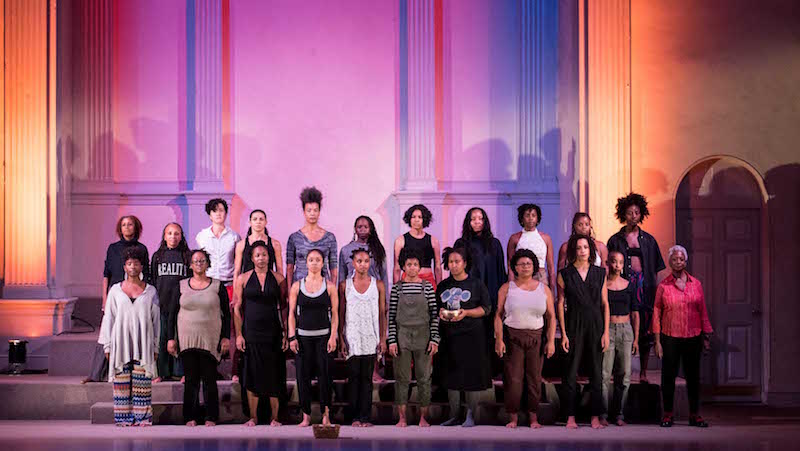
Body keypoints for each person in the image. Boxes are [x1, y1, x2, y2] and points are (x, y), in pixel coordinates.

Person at [166, 249, 231, 427]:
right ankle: (190, 416)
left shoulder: (218, 286)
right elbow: (172, 314)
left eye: (202, 261)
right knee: (191, 380)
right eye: (196, 261)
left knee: (210, 379)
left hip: (210, 339)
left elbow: (227, 314)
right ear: (190, 264)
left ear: (208, 264)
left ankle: (211, 416)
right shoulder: (181, 286)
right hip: (187, 340)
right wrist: (171, 339)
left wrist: (226, 337)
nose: (199, 264)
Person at [607, 193, 666, 383]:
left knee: (645, 329)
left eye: (636, 212)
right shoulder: (615, 239)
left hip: (644, 285)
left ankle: (643, 372)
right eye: (630, 212)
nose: (633, 215)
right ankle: (619, 371)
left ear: (641, 215)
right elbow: (609, 265)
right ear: (623, 214)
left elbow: (655, 269)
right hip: (623, 284)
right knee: (623, 325)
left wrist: (651, 289)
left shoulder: (649, 240)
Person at [98, 246, 160, 427]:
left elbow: (157, 322)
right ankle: (123, 417)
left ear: (142, 267)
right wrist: (107, 345)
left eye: (136, 263)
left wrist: (156, 347)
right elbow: (108, 318)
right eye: (129, 263)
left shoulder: (151, 291)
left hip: (143, 342)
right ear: (124, 267)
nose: (133, 267)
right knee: (121, 381)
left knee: (142, 383)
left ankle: (142, 417)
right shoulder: (115, 290)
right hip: (120, 342)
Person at [84, 215, 150, 384]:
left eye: (130, 224)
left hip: (135, 297)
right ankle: (95, 374)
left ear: (136, 227)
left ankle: (132, 372)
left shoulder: (141, 248)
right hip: (116, 296)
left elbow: (146, 275)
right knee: (106, 336)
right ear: (119, 229)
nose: (127, 227)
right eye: (124, 225)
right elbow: (106, 275)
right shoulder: (112, 248)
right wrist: (105, 299)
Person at [494, 249, 556, 429]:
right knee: (513, 378)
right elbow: (498, 315)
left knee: (534, 378)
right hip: (512, 337)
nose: (525, 267)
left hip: (536, 337)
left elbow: (551, 317)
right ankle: (512, 417)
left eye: (529, 263)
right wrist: (499, 339)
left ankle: (533, 417)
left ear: (534, 266)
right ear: (515, 267)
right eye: (521, 264)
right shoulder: (507, 288)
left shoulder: (543, 289)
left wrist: (551, 341)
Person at [653, 245, 712, 428]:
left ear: (685, 261)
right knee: (668, 376)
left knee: (693, 377)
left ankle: (695, 415)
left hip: (693, 335)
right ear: (670, 262)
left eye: (681, 259)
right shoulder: (663, 285)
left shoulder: (696, 284)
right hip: (670, 336)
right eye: (674, 259)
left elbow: (702, 310)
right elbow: (656, 311)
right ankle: (668, 414)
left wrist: (706, 336)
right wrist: (657, 341)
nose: (678, 262)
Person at [234, 241, 288, 427]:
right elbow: (237, 308)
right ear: (251, 258)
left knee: (274, 373)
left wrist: (286, 334)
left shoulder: (279, 278)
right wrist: (239, 335)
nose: (261, 258)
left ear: (269, 257)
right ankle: (253, 417)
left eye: (264, 255)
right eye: (257, 255)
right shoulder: (243, 278)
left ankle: (275, 417)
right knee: (252, 373)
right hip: (251, 332)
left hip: (273, 332)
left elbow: (284, 308)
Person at [557, 234, 609, 429]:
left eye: (585, 247)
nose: (582, 251)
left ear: (590, 250)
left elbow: (605, 303)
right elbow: (560, 303)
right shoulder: (565, 274)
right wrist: (563, 333)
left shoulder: (600, 273)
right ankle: (570, 415)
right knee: (570, 372)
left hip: (595, 324)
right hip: (573, 324)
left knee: (596, 372)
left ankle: (595, 416)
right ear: (573, 250)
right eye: (578, 248)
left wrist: (606, 333)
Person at [437, 247, 491, 427]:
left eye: (457, 261)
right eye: (450, 262)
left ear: (465, 263)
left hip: (472, 335)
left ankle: (470, 414)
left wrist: (466, 312)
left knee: (471, 375)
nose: (453, 265)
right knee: (451, 375)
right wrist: (441, 314)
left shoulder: (476, 284)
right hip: (449, 336)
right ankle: (454, 415)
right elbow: (436, 308)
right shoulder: (443, 285)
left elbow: (486, 308)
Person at [387, 247, 440, 428]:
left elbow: (435, 315)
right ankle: (402, 417)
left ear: (420, 267)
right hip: (402, 336)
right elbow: (391, 316)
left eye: (415, 264)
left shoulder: (427, 288)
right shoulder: (396, 288)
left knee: (424, 378)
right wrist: (392, 340)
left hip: (423, 335)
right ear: (403, 266)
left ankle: (423, 417)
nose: (411, 267)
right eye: (408, 264)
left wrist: (434, 339)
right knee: (402, 378)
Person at [288, 249, 339, 427]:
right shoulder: (297, 286)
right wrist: (292, 337)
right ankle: (306, 416)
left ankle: (326, 415)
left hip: (324, 339)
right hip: (303, 339)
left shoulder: (330, 286)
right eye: (311, 259)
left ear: (323, 263)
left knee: (325, 377)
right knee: (303, 378)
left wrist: (333, 337)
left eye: (318, 259)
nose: (315, 263)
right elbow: (291, 314)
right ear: (306, 262)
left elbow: (335, 314)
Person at [454, 207, 507, 378]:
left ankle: (490, 370)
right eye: (473, 218)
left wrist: (502, 298)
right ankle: (471, 368)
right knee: (471, 334)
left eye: (480, 218)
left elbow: (500, 271)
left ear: (485, 221)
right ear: (468, 222)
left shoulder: (495, 243)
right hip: (470, 296)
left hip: (490, 293)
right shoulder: (461, 244)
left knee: (490, 333)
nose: (477, 221)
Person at [232, 209, 283, 384]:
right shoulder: (241, 244)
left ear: (266, 222)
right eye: (255, 219)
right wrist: (235, 293)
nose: (258, 222)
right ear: (250, 222)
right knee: (243, 327)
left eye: (261, 219)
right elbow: (237, 269)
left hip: (266, 286)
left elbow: (280, 270)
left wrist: (277, 288)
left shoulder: (274, 244)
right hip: (246, 288)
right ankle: (237, 369)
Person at [338, 248, 386, 427]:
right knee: (354, 378)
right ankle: (354, 417)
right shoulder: (345, 285)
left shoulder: (378, 284)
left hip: (370, 336)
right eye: (359, 261)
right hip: (352, 336)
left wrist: (382, 338)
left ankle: (365, 417)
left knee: (367, 379)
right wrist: (341, 338)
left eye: (366, 261)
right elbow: (341, 312)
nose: (363, 264)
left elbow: (382, 312)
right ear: (353, 263)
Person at [338, 215, 388, 381]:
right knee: (354, 332)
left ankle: (373, 371)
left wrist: (385, 297)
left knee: (372, 331)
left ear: (371, 228)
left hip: (373, 296)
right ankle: (352, 370)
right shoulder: (346, 250)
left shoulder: (377, 249)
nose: (362, 229)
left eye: (366, 226)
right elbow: (342, 275)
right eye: (359, 227)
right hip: (353, 295)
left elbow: (384, 275)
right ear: (355, 229)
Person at [601, 250, 639, 427]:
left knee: (624, 375)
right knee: (605, 374)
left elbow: (635, 314)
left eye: (621, 262)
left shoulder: (629, 285)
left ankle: (620, 414)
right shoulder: (603, 285)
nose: (617, 265)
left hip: (625, 330)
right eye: (614, 262)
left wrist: (636, 339)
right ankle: (603, 413)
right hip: (608, 329)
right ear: (608, 263)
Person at [151, 222, 192, 382]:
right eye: (170, 233)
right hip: (162, 304)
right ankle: (162, 372)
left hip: (182, 305)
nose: (173, 237)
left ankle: (181, 371)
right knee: (162, 339)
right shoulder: (158, 256)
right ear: (164, 236)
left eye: (176, 233)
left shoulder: (186, 255)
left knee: (181, 338)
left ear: (181, 236)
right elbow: (154, 279)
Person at [286, 187, 338, 283]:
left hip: (323, 287)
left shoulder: (330, 238)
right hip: (299, 287)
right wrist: (289, 291)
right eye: (309, 210)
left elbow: (333, 268)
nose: (312, 214)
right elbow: (289, 267)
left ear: (319, 211)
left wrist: (333, 290)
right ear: (304, 212)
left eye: (315, 210)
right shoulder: (294, 238)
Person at [195, 198, 241, 302]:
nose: (218, 214)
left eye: (221, 210)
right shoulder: (202, 236)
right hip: (208, 283)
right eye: (214, 211)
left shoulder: (234, 236)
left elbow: (238, 263)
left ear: (226, 213)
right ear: (210, 215)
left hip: (228, 283)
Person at [393, 204, 442, 287]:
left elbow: (437, 267)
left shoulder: (433, 240)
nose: (416, 220)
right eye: (413, 217)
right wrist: (396, 289)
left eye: (420, 217)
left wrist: (440, 287)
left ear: (425, 219)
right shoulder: (400, 240)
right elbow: (397, 268)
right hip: (408, 281)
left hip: (428, 280)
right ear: (409, 219)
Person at [507, 204, 555, 288]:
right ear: (522, 218)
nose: (530, 218)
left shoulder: (545, 238)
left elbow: (551, 266)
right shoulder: (515, 238)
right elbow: (510, 265)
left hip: (540, 276)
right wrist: (511, 285)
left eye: (533, 215)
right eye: (527, 215)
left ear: (538, 218)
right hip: (521, 277)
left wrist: (552, 288)